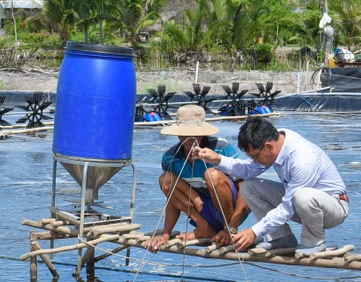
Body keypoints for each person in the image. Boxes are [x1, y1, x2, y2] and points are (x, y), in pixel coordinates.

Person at [195, 116, 348, 257]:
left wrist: (254, 232)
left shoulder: (303, 160)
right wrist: (218, 159)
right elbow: (249, 170)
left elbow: (287, 208)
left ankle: (314, 242)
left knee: (302, 195)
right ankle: (281, 238)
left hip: (333, 208)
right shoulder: (277, 140)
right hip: (301, 205)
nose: (255, 161)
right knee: (249, 186)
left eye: (254, 156)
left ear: (268, 147)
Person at [147, 105, 248, 252]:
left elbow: (244, 187)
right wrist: (166, 233)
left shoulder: (221, 147)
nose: (190, 138)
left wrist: (231, 227)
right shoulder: (171, 157)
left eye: (195, 133)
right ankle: (203, 226)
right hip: (202, 210)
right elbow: (172, 197)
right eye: (185, 133)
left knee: (212, 175)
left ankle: (226, 229)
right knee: (165, 179)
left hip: (231, 213)